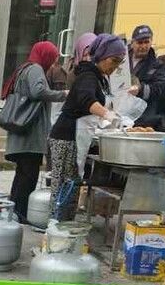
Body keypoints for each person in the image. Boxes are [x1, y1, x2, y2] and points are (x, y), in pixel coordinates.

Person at [48, 34, 126, 222]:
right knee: (64, 186)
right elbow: (86, 100)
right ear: (102, 55)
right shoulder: (88, 76)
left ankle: (66, 227)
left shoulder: (98, 77)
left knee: (72, 185)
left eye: (119, 62)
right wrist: (108, 115)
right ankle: (55, 228)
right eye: (114, 60)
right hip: (66, 137)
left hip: (76, 136)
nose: (115, 66)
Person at [1, 41, 66, 226]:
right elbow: (38, 92)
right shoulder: (36, 69)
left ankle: (15, 210)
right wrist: (63, 94)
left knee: (22, 174)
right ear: (45, 55)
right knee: (28, 175)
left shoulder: (26, 68)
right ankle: (21, 212)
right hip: (30, 134)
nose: (53, 64)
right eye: (53, 59)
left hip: (23, 132)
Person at [128, 25, 164, 125]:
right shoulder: (121, 59)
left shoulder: (157, 65)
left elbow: (159, 89)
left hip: (142, 118)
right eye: (140, 42)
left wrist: (140, 89)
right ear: (132, 43)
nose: (143, 46)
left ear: (151, 42)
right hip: (119, 112)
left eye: (146, 42)